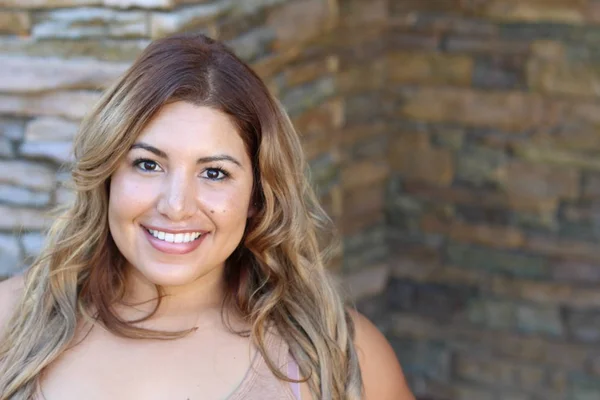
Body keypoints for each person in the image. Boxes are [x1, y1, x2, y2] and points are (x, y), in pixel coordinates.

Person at [0, 33, 414, 400]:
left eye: (214, 173)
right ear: (108, 175)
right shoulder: (11, 322)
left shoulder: (338, 352)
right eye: (147, 164)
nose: (176, 205)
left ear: (257, 196)